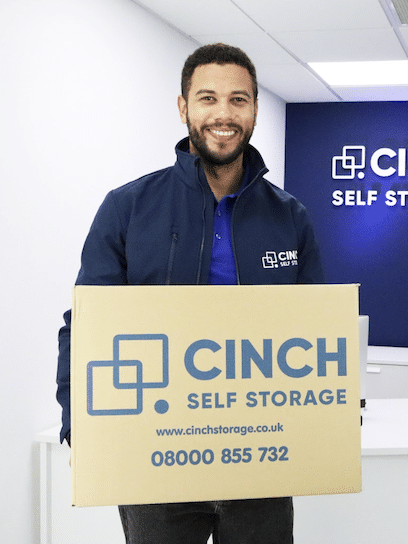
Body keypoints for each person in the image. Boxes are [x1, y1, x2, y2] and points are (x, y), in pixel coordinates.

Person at [56, 43, 324, 544]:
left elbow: (316, 332)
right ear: (184, 107)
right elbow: (87, 325)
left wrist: (328, 412)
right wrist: (80, 420)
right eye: (207, 98)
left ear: (255, 110)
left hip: (259, 456)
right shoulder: (128, 208)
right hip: (156, 458)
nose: (223, 114)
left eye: (238, 100)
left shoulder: (290, 217)